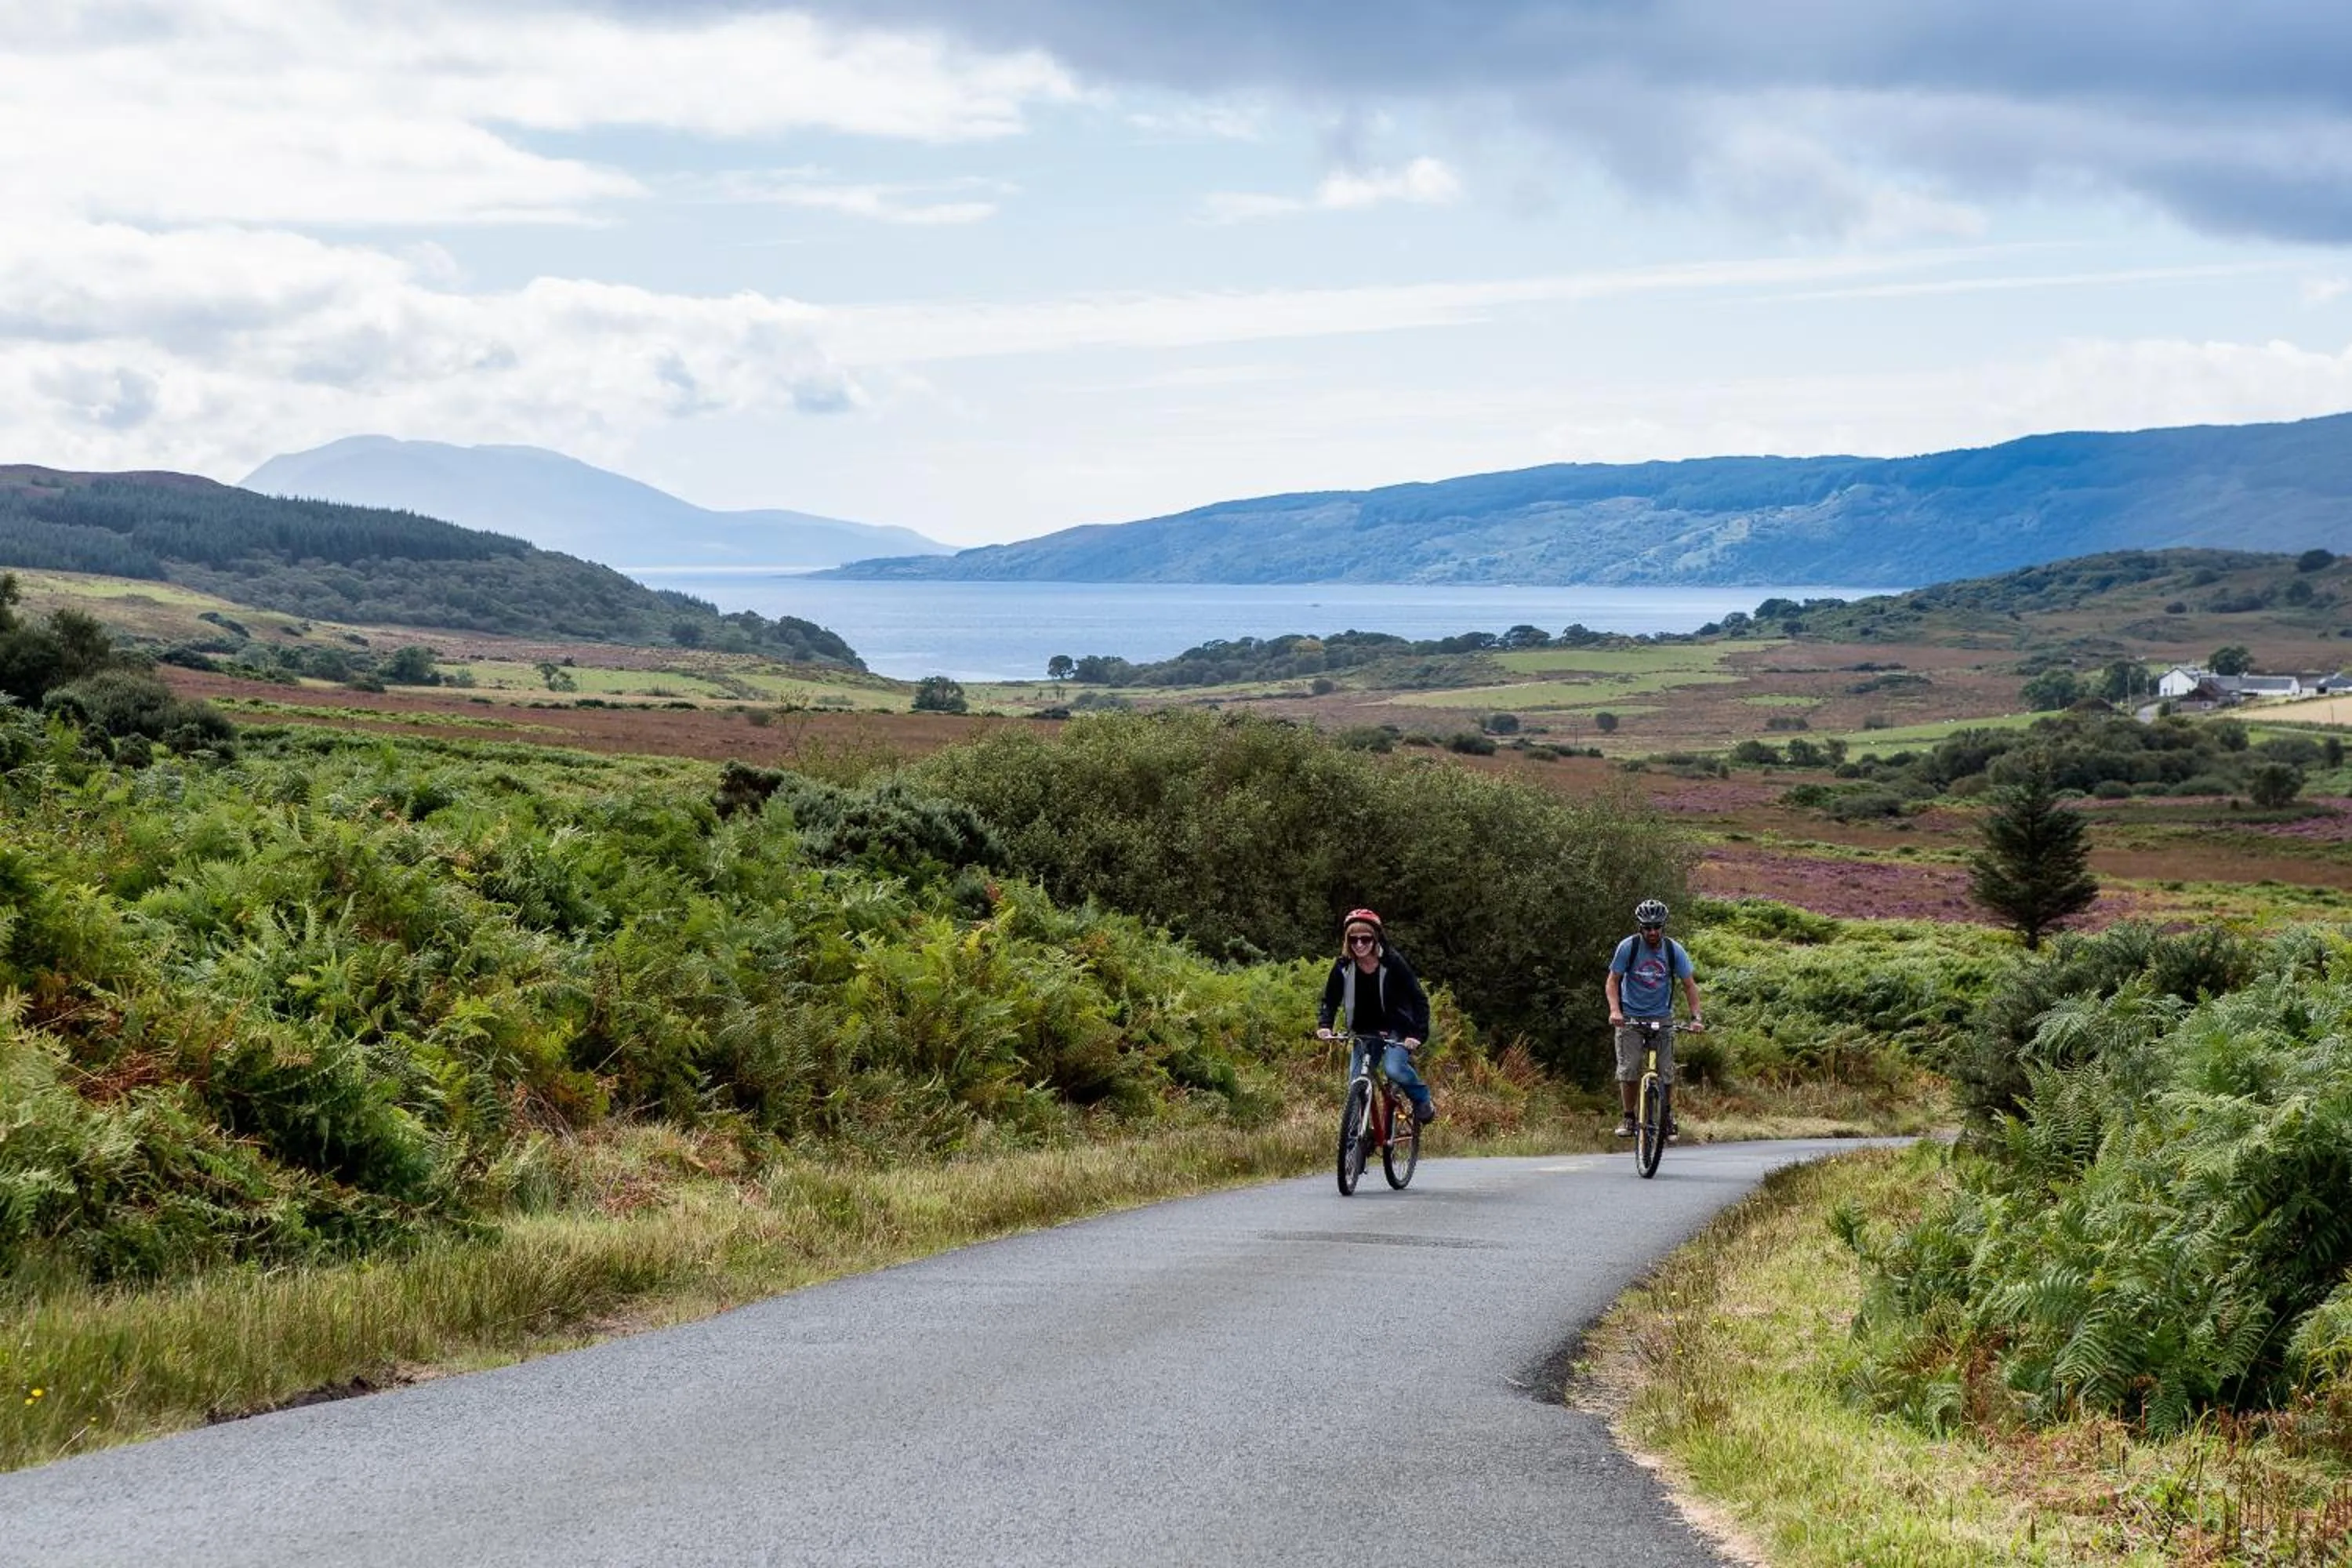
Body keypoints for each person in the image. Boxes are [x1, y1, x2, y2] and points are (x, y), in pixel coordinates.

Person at [1316, 908, 1436, 1124]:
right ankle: (1358, 1137)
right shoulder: (1343, 966)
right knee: (1356, 1081)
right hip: (1364, 1030)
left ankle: (1422, 1099)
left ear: (1376, 938)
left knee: (1394, 1068)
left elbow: (1418, 998)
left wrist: (1417, 1034)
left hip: (1397, 1029)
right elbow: (1330, 998)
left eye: (1365, 939)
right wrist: (1325, 1024)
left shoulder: (1393, 963)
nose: (1359, 944)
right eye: (1353, 939)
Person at [1606, 898, 1703, 1140]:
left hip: (1662, 1017)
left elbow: (1689, 986)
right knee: (1629, 1068)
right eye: (1647, 927)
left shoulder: (1673, 950)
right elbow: (1613, 981)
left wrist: (1696, 1017)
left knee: (1666, 1070)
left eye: (1657, 927)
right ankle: (1629, 1118)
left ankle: (1667, 1115)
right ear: (1640, 927)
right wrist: (1615, 1011)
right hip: (1630, 1017)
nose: (1652, 932)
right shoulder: (1628, 947)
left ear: (1663, 926)